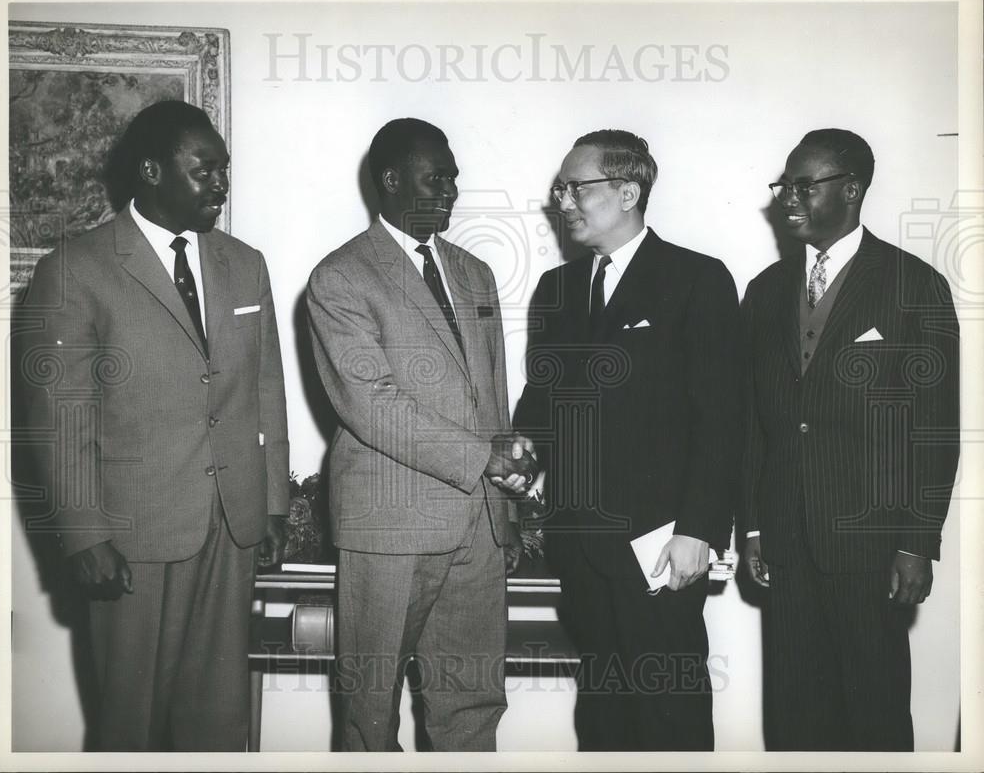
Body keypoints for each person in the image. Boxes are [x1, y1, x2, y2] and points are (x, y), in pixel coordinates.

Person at [20, 100, 289, 751]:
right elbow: (61, 418)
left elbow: (266, 389)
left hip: (231, 529)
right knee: (129, 726)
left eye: (224, 170)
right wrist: (84, 536)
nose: (221, 185)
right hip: (131, 536)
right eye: (204, 170)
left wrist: (274, 502)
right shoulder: (74, 269)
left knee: (219, 723)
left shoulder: (245, 264)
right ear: (149, 172)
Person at [306, 117, 536, 751]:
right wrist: (482, 459)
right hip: (389, 526)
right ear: (390, 179)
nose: (451, 191)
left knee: (474, 706)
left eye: (455, 178)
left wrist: (505, 513)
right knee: (369, 714)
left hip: (477, 532)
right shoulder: (341, 278)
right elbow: (371, 403)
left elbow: (491, 395)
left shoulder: (475, 272)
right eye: (437, 177)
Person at [514, 129, 743, 750]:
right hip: (580, 548)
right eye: (559, 188)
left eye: (575, 187)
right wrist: (522, 449)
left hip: (660, 550)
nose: (562, 200)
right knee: (604, 719)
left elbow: (721, 417)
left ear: (627, 191)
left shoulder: (697, 278)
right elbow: (542, 405)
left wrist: (699, 529)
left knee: (668, 715)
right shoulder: (557, 292)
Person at [741, 128, 960, 750]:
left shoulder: (913, 285)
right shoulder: (762, 292)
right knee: (793, 721)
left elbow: (936, 428)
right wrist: (754, 525)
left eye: (804, 185)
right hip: (785, 545)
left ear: (852, 189)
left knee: (875, 718)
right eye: (783, 184)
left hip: (873, 547)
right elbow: (755, 423)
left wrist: (918, 542)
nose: (786, 198)